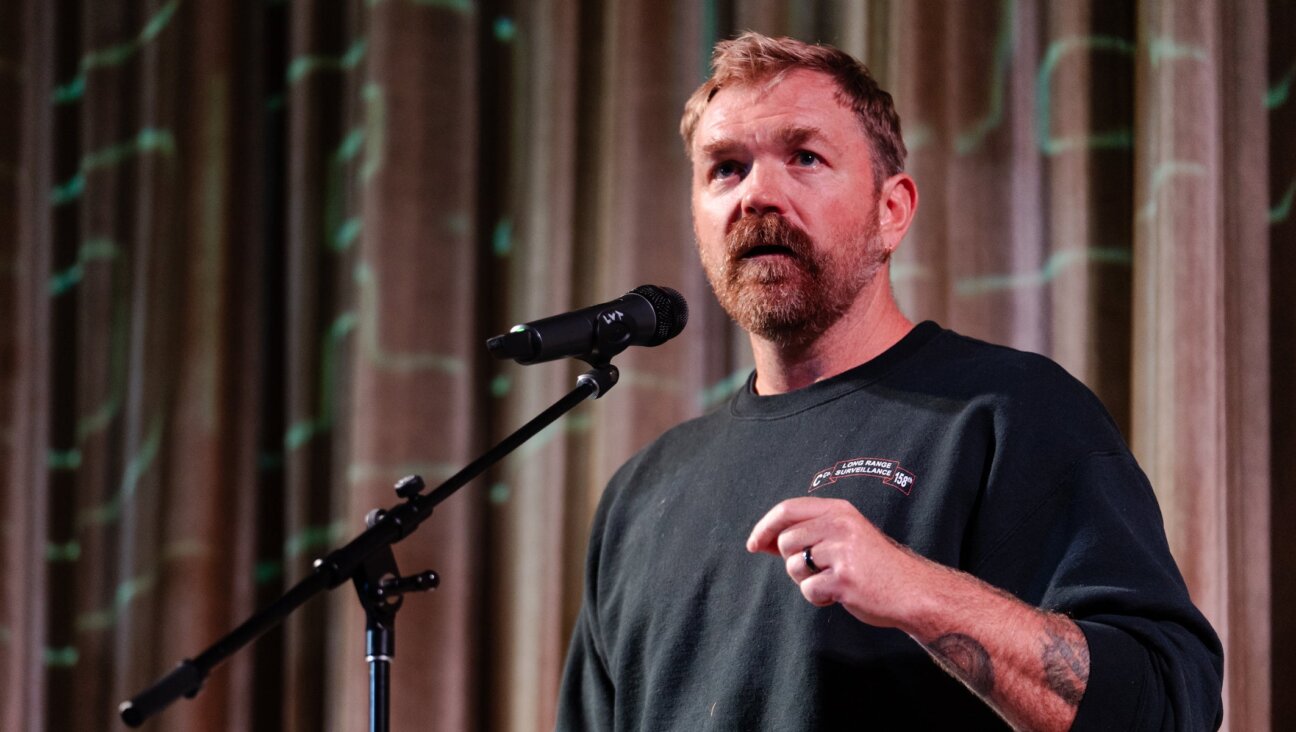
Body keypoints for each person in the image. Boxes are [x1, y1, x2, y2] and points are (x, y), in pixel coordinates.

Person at [556, 32, 1222, 731]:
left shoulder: (1010, 413)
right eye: (725, 168)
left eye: (805, 157)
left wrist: (918, 592)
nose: (757, 195)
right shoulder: (644, 494)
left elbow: (1171, 702)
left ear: (892, 210)